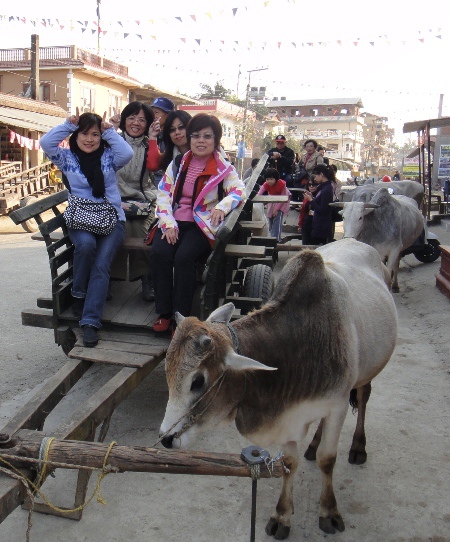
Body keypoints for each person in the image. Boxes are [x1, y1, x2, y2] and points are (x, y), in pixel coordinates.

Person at [40, 108, 133, 347]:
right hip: (80, 218)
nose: (90, 139)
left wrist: (108, 131)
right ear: (76, 135)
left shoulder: (109, 157)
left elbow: (128, 152)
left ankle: (90, 322)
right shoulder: (65, 157)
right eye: (84, 133)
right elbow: (45, 142)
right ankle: (79, 294)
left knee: (101, 266)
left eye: (94, 134)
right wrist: (69, 125)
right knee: (86, 245)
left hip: (111, 218)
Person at [150, 113, 246, 334]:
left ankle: (181, 318)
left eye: (207, 136)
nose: (200, 141)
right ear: (189, 138)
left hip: (200, 225)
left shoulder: (224, 168)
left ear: (215, 140)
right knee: (159, 253)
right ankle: (164, 313)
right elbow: (163, 193)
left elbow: (240, 190)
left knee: (184, 258)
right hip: (174, 221)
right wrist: (168, 223)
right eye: (196, 136)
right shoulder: (177, 164)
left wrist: (222, 206)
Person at [108, 101, 156, 301]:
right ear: (124, 120)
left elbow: (157, 171)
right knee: (116, 229)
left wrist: (153, 139)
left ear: (148, 124)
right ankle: (111, 278)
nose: (136, 123)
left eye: (141, 119)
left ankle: (146, 279)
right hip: (114, 200)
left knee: (141, 231)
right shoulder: (111, 141)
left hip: (143, 199)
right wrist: (109, 131)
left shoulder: (151, 145)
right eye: (131, 117)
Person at [146, 110, 192, 177]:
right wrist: (152, 137)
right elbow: (153, 166)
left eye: (181, 127)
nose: (177, 132)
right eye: (172, 129)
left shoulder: (200, 153)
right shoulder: (169, 157)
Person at [302, 163, 335, 246]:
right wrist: (312, 197)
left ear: (321, 174)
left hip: (322, 227)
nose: (315, 178)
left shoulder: (326, 190)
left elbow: (322, 210)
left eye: (316, 175)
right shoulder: (323, 188)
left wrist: (310, 200)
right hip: (317, 225)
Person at [257, 167, 291, 242]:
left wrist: (277, 209)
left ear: (276, 179)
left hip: (281, 203)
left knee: (277, 221)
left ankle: (276, 240)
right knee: (270, 220)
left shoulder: (282, 184)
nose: (269, 181)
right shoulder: (266, 184)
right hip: (272, 202)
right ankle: (272, 236)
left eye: (271, 179)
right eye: (267, 179)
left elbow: (283, 198)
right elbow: (259, 194)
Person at [148, 97, 176, 186]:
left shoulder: (174, 137)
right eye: (152, 112)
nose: (153, 116)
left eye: (156, 112)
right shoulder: (150, 133)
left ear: (168, 115)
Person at [298, 179, 319, 244]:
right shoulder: (306, 196)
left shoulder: (320, 195)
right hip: (307, 223)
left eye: (314, 185)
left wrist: (312, 199)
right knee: (305, 244)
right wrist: (300, 225)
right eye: (309, 185)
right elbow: (303, 211)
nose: (311, 187)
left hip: (316, 225)